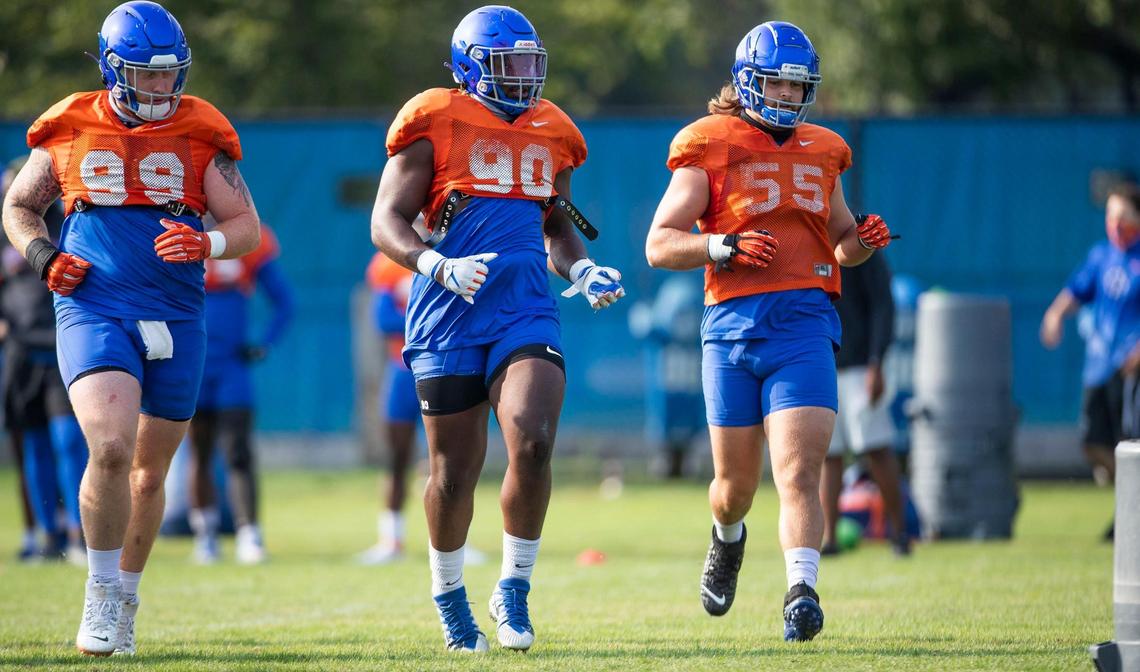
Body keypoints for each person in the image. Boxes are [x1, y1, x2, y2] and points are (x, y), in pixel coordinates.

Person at [1, 0, 260, 656]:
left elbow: (244, 227)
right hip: (96, 305)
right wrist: (43, 256)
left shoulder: (202, 130)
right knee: (112, 449)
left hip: (177, 312)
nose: (161, 87)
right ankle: (97, 589)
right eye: (147, 75)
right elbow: (22, 206)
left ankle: (126, 595)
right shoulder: (69, 124)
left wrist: (208, 246)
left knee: (149, 473)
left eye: (170, 75)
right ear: (114, 69)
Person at [371, 5, 625, 652]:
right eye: (506, 64)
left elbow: (557, 224)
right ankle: (451, 598)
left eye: (528, 63)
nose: (522, 76)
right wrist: (436, 264)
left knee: (534, 440)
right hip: (448, 308)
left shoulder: (552, 130)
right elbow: (387, 221)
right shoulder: (434, 119)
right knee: (454, 473)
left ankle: (513, 588)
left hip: (524, 304)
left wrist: (585, 269)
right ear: (468, 67)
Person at [644, 21, 893, 642]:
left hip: (805, 323)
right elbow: (658, 243)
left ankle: (801, 591)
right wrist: (720, 244)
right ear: (750, 82)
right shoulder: (709, 144)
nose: (787, 97)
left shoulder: (822, 148)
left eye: (797, 87)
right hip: (731, 329)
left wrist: (858, 242)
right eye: (777, 85)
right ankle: (727, 539)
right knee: (734, 487)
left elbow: (839, 244)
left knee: (799, 470)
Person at [188, 221, 293, 565]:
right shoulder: (176, 230)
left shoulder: (249, 237)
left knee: (238, 451)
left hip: (232, 365)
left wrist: (263, 343)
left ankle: (249, 534)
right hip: (192, 363)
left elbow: (284, 301)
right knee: (199, 452)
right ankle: (205, 534)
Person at [0, 157, 89, 565]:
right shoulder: (7, 227)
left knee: (68, 441)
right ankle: (45, 535)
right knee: (32, 444)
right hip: (19, 350)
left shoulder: (66, 221)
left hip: (59, 345)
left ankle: (79, 533)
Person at [1041, 180, 1140, 541]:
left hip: (1131, 370)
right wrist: (1054, 316)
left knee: (1130, 444)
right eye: (1112, 216)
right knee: (1093, 443)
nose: (1116, 224)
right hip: (1100, 365)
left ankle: (1129, 516)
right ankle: (1130, 503)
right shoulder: (1101, 255)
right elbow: (1076, 291)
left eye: (1124, 216)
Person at [819, 252, 910, 556]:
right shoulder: (807, 237)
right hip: (821, 364)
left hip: (860, 367)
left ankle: (899, 533)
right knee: (828, 455)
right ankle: (829, 538)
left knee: (876, 447)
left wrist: (876, 362)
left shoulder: (860, 243)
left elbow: (883, 305)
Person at [356, 250, 419, 564]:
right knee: (396, 458)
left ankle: (456, 541)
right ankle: (391, 537)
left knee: (451, 460)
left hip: (450, 367)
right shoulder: (390, 261)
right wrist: (431, 321)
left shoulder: (457, 248)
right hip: (404, 368)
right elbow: (383, 319)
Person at [627, 273, 706, 478]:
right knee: (665, 426)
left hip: (689, 389)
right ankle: (668, 461)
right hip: (669, 389)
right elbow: (641, 324)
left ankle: (681, 462)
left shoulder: (696, 331)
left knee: (687, 427)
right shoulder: (661, 330)